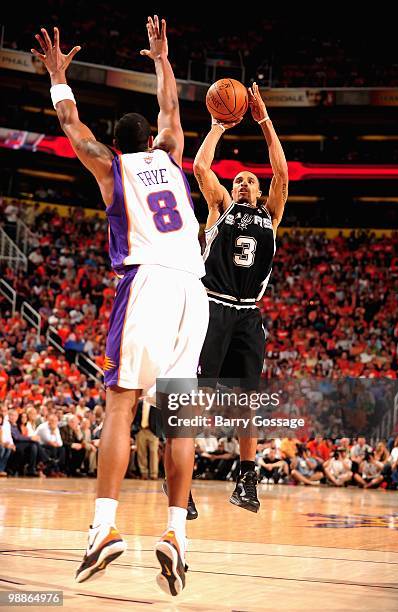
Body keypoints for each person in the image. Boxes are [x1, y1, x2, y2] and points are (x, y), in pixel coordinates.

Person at [32, 16, 209, 596]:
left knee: (120, 404)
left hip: (151, 282)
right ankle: (176, 533)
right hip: (195, 289)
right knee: (179, 415)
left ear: (118, 142)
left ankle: (104, 530)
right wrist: (161, 59)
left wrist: (60, 76)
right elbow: (172, 111)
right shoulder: (174, 158)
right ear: (153, 141)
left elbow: (69, 123)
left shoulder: (112, 167)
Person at [192, 81, 288, 512]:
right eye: (239, 180)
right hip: (211, 306)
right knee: (194, 399)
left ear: (261, 191)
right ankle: (181, 481)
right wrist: (217, 127)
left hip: (248, 315)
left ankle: (247, 481)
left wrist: (264, 121)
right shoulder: (220, 208)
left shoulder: (271, 216)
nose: (245, 183)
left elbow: (281, 173)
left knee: (243, 402)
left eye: (251, 180)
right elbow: (200, 168)